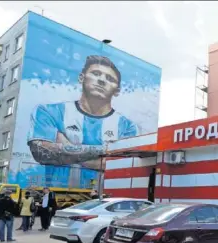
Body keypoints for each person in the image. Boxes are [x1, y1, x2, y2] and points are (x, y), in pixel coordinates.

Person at [27, 55, 139, 188]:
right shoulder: (49, 111)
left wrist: (66, 147)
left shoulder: (128, 126)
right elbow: (41, 154)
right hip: (56, 196)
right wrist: (107, 150)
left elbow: (122, 164)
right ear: (81, 77)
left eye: (110, 79)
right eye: (96, 73)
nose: (102, 80)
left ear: (117, 91)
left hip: (105, 199)